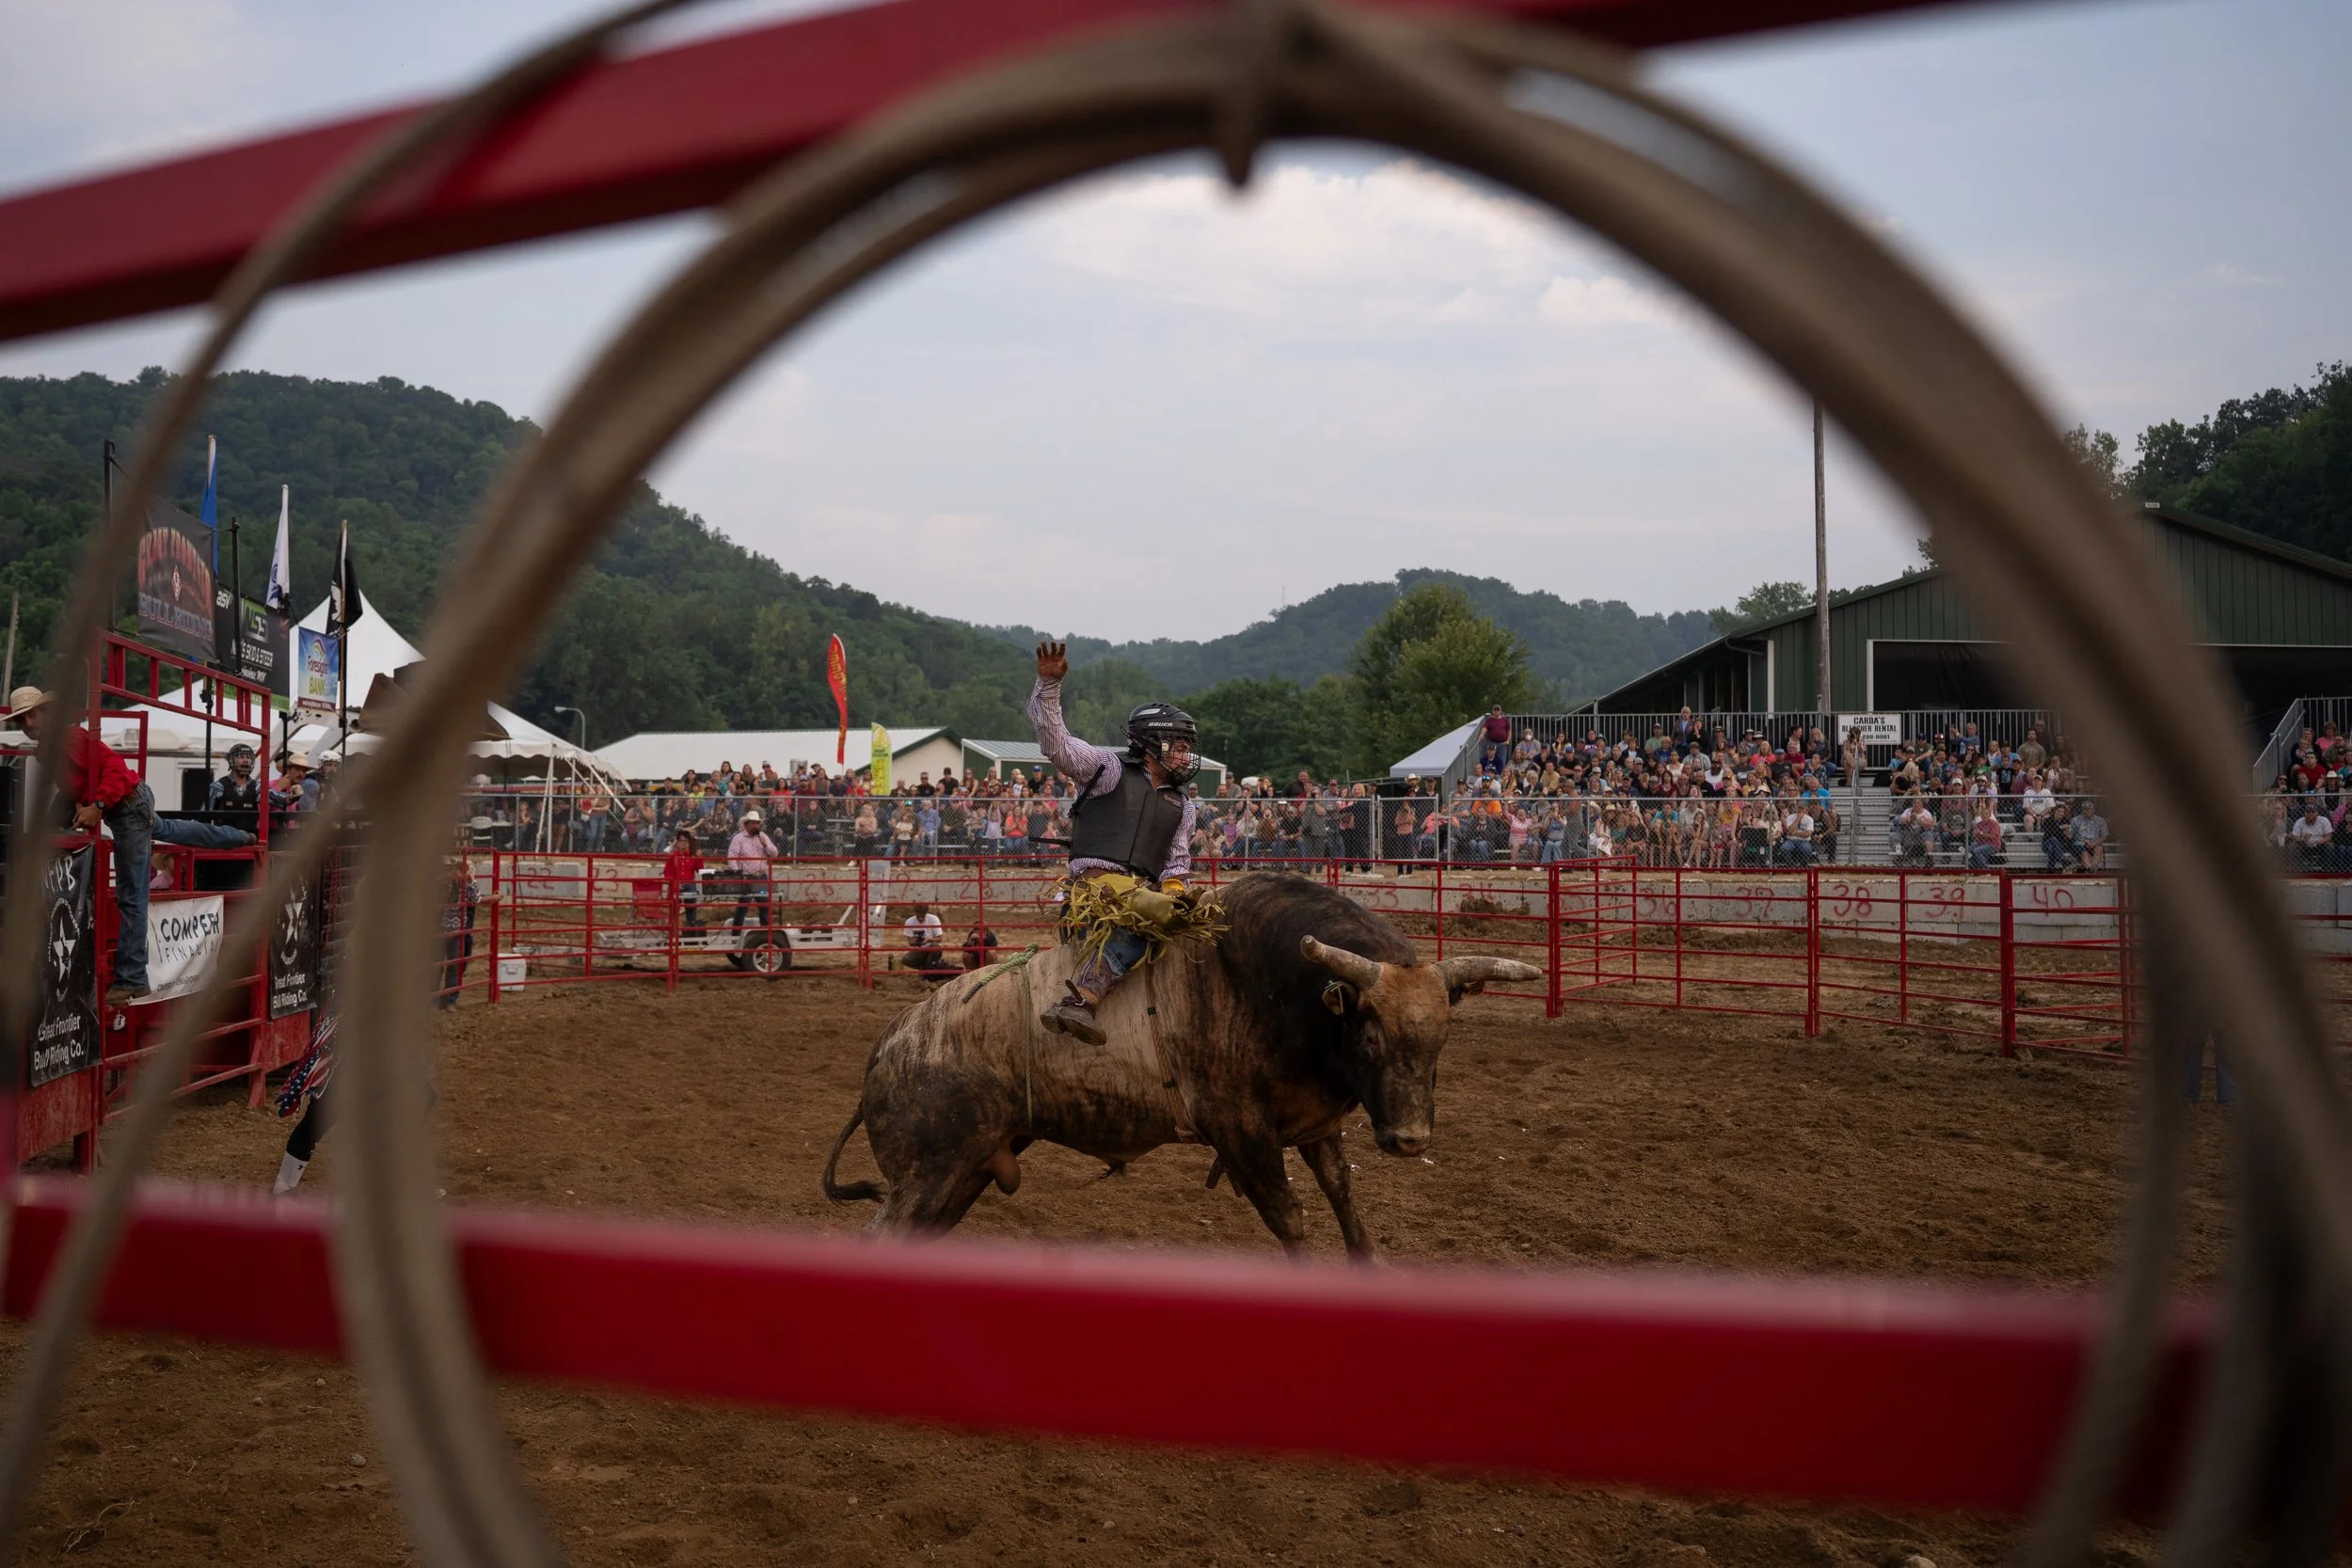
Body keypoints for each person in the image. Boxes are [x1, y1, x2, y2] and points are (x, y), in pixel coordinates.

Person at [8, 686, 252, 1005]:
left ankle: (133, 977)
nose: (28, 723)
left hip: (126, 807)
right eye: (22, 719)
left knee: (132, 895)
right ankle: (238, 837)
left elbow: (114, 774)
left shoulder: (68, 740)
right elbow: (72, 789)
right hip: (130, 804)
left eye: (32, 715)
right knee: (174, 831)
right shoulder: (54, 747)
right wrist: (61, 819)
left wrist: (95, 804)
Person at [1026, 640, 1198, 1045]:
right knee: (1155, 918)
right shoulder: (1107, 768)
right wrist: (1048, 688)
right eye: (1180, 744)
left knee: (1182, 914)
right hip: (1095, 892)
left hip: (1143, 894)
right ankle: (1081, 1000)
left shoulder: (1183, 806)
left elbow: (1176, 866)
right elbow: (1059, 745)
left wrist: (1177, 895)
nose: (1187, 754)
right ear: (1154, 742)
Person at [725, 808, 778, 935]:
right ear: (747, 824)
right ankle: (736, 934)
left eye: (757, 823)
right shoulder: (738, 838)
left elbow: (774, 854)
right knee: (743, 906)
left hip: (761, 877)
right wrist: (738, 873)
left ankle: (766, 933)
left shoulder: (763, 837)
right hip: (746, 877)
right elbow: (732, 857)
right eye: (753, 823)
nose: (755, 825)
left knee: (764, 905)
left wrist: (765, 845)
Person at [661, 828, 703, 929]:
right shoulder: (673, 856)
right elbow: (667, 872)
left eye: (685, 841)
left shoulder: (692, 855)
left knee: (691, 904)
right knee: (674, 907)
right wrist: (674, 882)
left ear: (688, 842)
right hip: (676, 884)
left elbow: (700, 870)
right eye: (681, 840)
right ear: (677, 842)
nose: (683, 843)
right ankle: (673, 929)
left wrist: (699, 858)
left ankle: (691, 925)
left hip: (689, 884)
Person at [902, 901, 948, 983]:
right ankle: (925, 968)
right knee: (906, 959)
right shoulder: (909, 922)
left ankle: (927, 973)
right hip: (920, 950)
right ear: (915, 913)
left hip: (932, 947)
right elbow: (910, 941)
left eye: (922, 916)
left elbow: (940, 938)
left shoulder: (933, 919)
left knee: (935, 947)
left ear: (926, 913)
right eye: (918, 916)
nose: (920, 918)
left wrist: (929, 939)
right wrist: (918, 941)